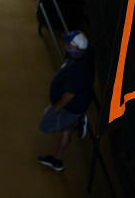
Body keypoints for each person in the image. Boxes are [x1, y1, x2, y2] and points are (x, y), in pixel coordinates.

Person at [37, 30, 94, 172]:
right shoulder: (87, 53)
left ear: (76, 48)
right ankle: (58, 160)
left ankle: (77, 122)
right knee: (65, 130)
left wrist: (56, 108)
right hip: (77, 105)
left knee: (47, 124)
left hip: (70, 107)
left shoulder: (77, 69)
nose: (66, 45)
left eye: (69, 43)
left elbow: (70, 94)